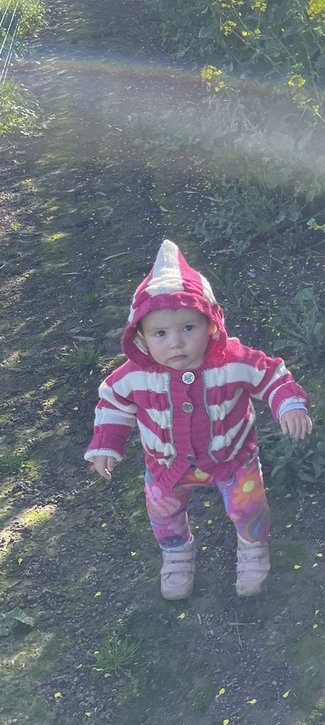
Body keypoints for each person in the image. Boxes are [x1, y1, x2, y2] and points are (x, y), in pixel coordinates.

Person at [84, 239, 312, 600]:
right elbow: (113, 404)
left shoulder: (231, 360)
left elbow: (271, 375)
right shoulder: (134, 375)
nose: (176, 343)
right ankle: (176, 553)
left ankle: (253, 549)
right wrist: (106, 444)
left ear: (210, 323)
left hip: (232, 458)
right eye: (161, 333)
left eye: (188, 328)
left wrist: (289, 404)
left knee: (248, 506)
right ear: (140, 336)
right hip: (166, 465)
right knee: (163, 513)